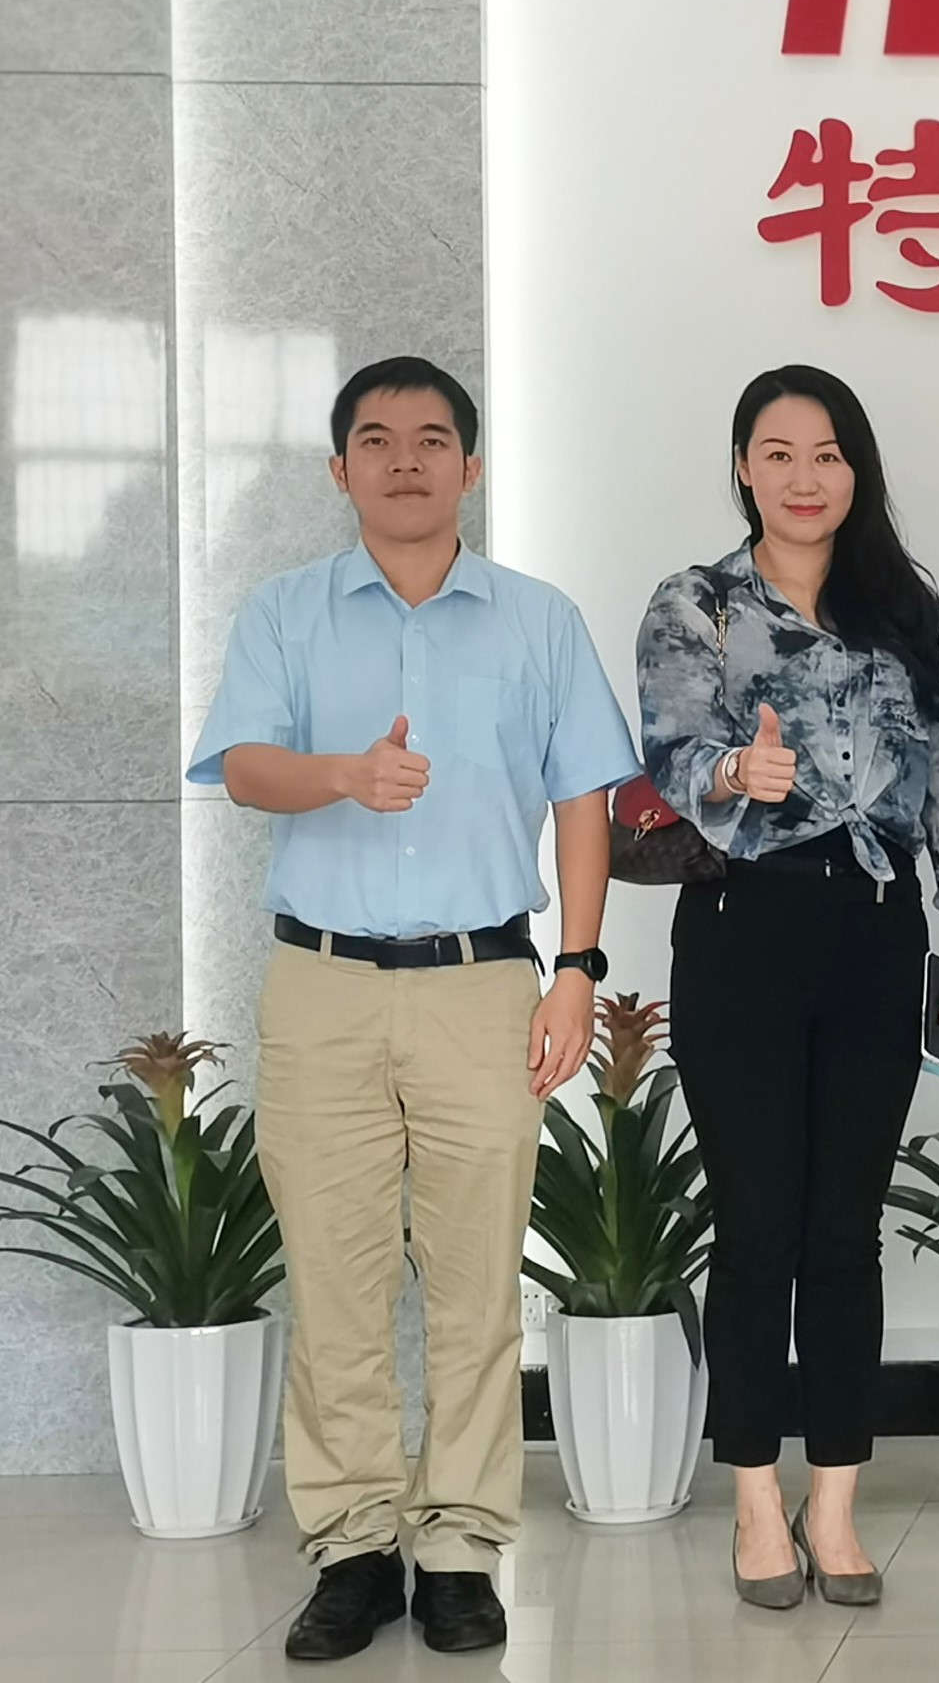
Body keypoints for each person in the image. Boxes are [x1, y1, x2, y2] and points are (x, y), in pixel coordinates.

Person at [189, 357, 638, 1661]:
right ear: (340, 470)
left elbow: (585, 799)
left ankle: (457, 1549)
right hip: (320, 984)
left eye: (432, 438)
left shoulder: (537, 619)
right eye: (376, 440)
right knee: (333, 1280)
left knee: (475, 1281)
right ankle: (351, 1549)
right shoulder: (285, 612)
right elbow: (244, 768)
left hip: (482, 984)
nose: (404, 460)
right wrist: (343, 773)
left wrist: (576, 968)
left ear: (470, 466)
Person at [636, 364, 939, 1609]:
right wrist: (735, 770)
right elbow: (671, 754)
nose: (805, 477)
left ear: (858, 470)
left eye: (828, 453)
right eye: (779, 452)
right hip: (742, 924)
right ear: (744, 466)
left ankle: (834, 1501)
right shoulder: (695, 603)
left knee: (845, 1230)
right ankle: (755, 1498)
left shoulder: (906, 605)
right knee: (757, 1229)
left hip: (874, 931)